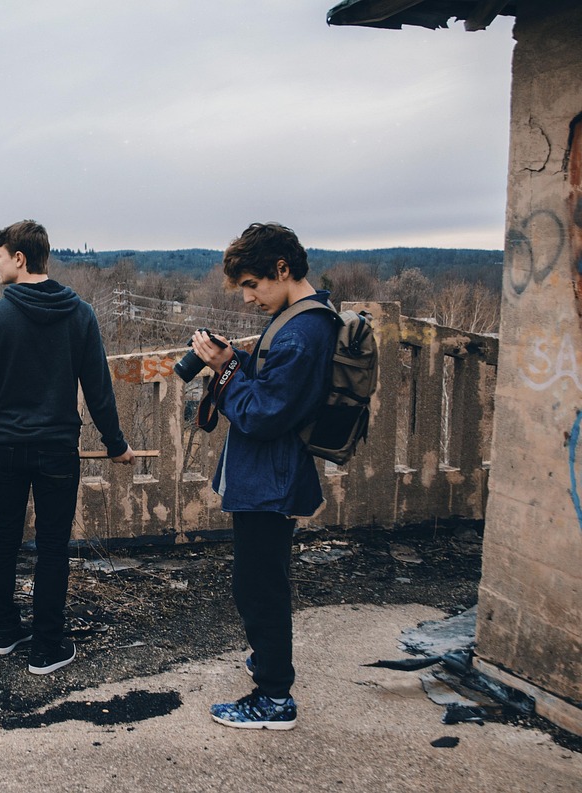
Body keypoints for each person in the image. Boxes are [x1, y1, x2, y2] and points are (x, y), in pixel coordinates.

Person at [0, 219, 135, 675]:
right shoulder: (81, 315)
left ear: (19, 258)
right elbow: (99, 390)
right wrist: (117, 445)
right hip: (57, 451)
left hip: (8, 450)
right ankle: (47, 647)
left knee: (5, 541)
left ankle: (5, 632)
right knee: (53, 547)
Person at [188, 222, 339, 730]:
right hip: (270, 476)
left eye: (253, 284)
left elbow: (264, 414)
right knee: (259, 578)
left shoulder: (300, 332)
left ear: (282, 269)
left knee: (259, 586)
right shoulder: (300, 320)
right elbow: (276, 387)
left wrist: (227, 378)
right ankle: (268, 661)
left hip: (270, 481)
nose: (249, 297)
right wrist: (235, 360)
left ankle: (274, 697)